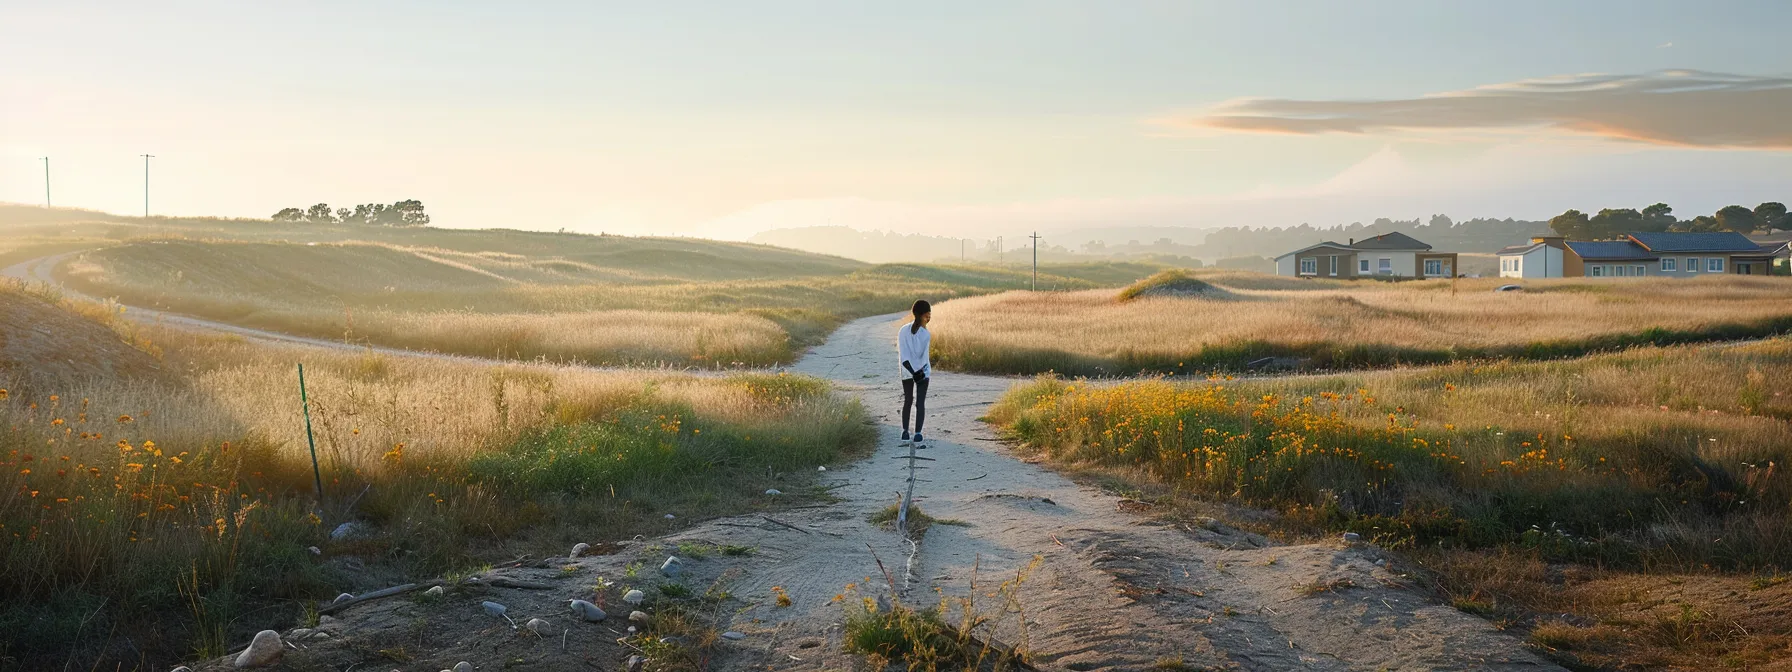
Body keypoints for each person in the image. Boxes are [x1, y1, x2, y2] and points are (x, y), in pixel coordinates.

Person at [897, 300, 931, 444]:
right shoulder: (925, 334)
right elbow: (923, 358)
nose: (930, 317)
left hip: (906, 371)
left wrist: (911, 371)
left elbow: (904, 356)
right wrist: (918, 373)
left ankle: (905, 432)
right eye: (929, 314)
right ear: (924, 315)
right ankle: (917, 433)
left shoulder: (903, 330)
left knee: (908, 400)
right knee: (920, 402)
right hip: (922, 372)